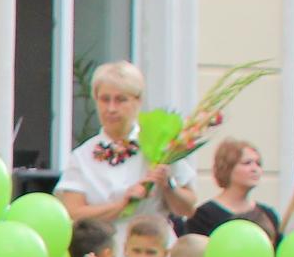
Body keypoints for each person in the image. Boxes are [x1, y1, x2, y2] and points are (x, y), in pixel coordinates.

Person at [56, 60, 194, 226]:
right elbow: (73, 214)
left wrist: (168, 185)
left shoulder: (161, 145)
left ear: (138, 101)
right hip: (103, 241)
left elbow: (188, 209)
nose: (111, 109)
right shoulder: (81, 157)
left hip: (153, 239)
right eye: (104, 99)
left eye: (121, 100)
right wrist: (121, 205)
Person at [186, 137, 280, 242]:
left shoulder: (268, 214)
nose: (255, 169)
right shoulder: (204, 216)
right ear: (227, 168)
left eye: (258, 164)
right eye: (247, 163)